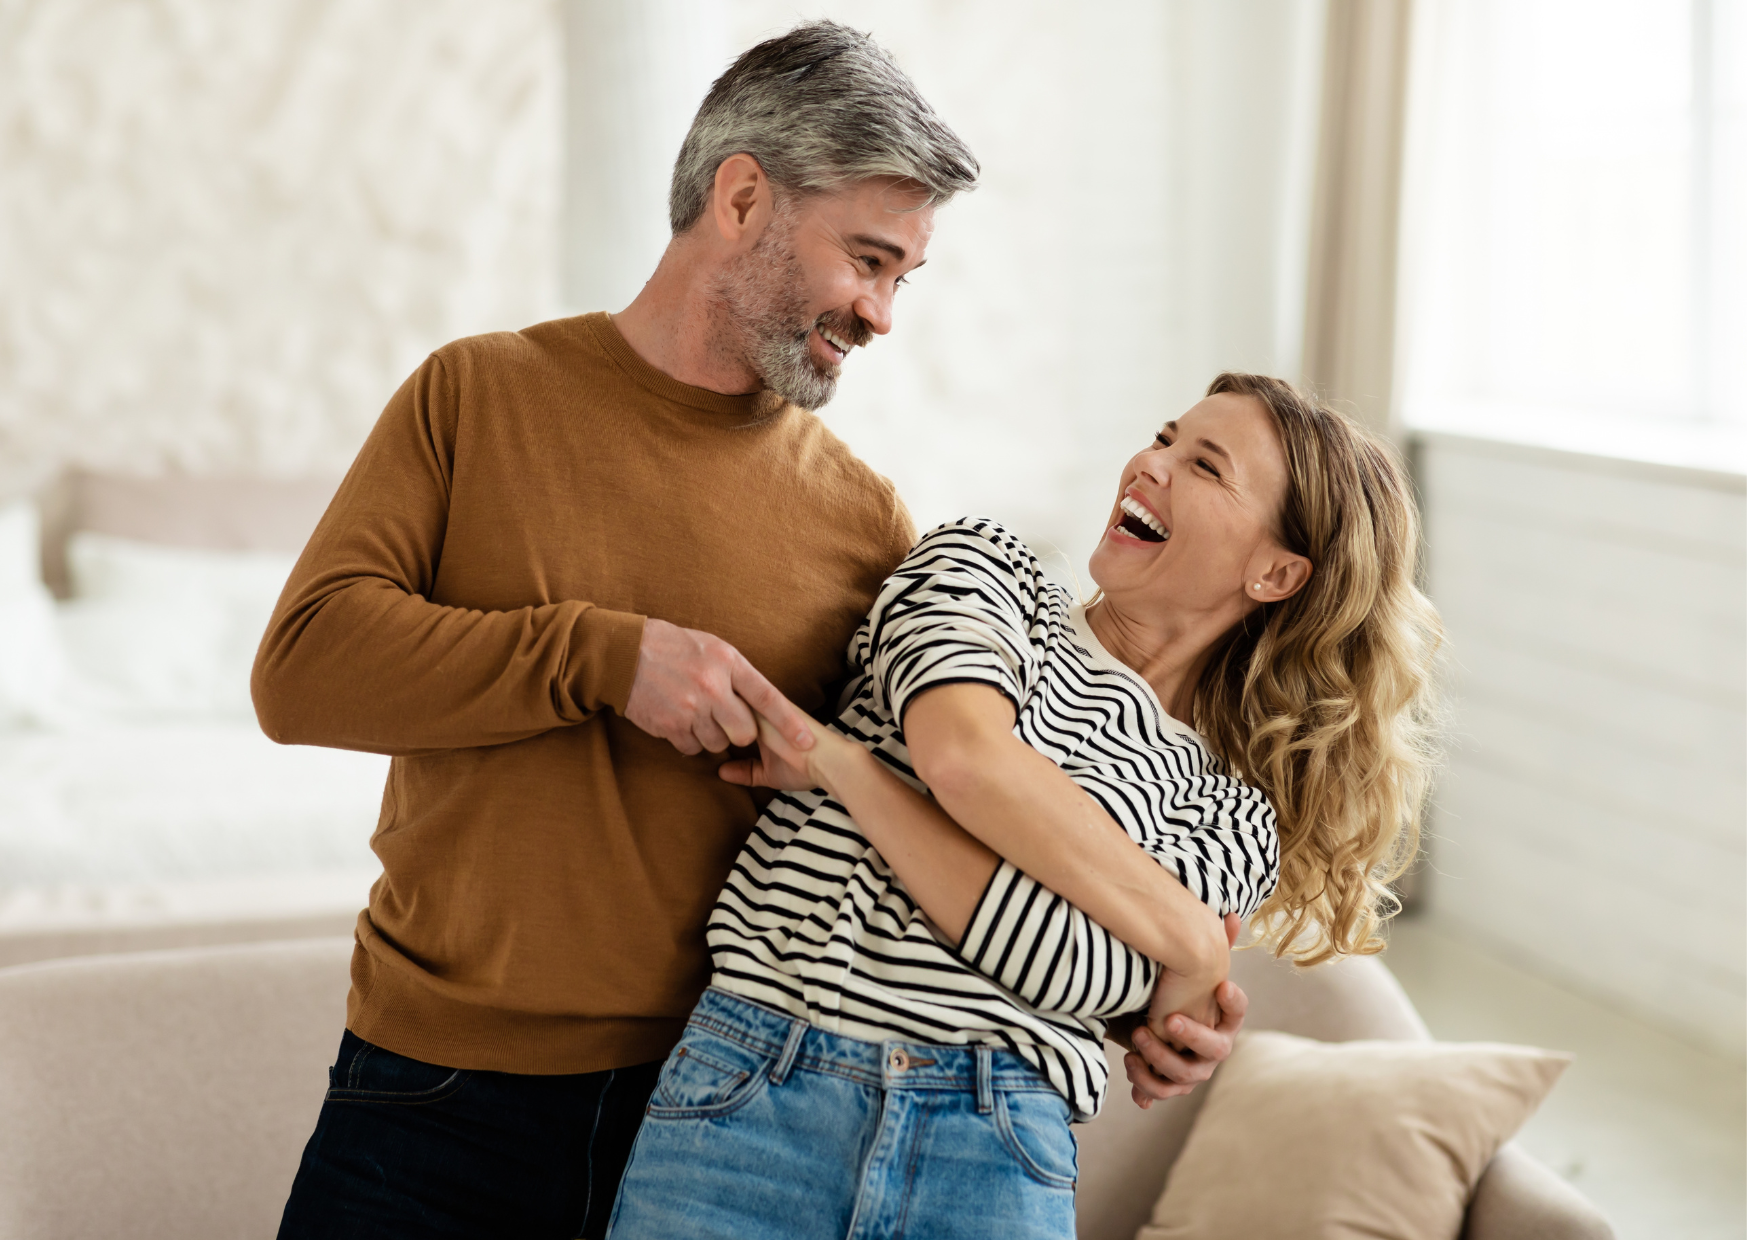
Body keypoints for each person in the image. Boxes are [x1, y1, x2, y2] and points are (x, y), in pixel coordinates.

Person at [256, 22, 1237, 1240]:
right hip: (431, 1094)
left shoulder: (866, 521)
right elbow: (300, 674)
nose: (881, 313)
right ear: (740, 198)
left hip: (728, 1117)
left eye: (902, 278)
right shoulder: (477, 395)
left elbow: (923, 841)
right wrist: (604, 658)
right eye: (866, 259)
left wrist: (1145, 994)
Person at [605, 373, 1444, 1240]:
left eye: (1205, 466)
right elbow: (965, 757)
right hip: (754, 1087)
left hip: (998, 1150)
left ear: (1275, 571)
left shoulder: (1235, 817)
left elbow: (1082, 972)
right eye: (1164, 437)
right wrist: (1183, 934)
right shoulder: (985, 567)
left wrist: (847, 770)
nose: (1151, 465)